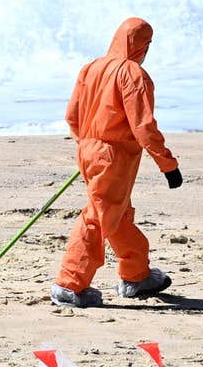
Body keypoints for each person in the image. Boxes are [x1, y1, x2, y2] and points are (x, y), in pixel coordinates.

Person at [51, 17, 181, 307]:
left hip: (89, 148)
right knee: (97, 218)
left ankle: (137, 276)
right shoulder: (133, 74)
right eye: (147, 45)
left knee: (117, 215)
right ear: (141, 46)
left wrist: (88, 145)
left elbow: (72, 116)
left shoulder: (91, 67)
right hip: (114, 157)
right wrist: (168, 165)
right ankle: (69, 285)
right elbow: (144, 127)